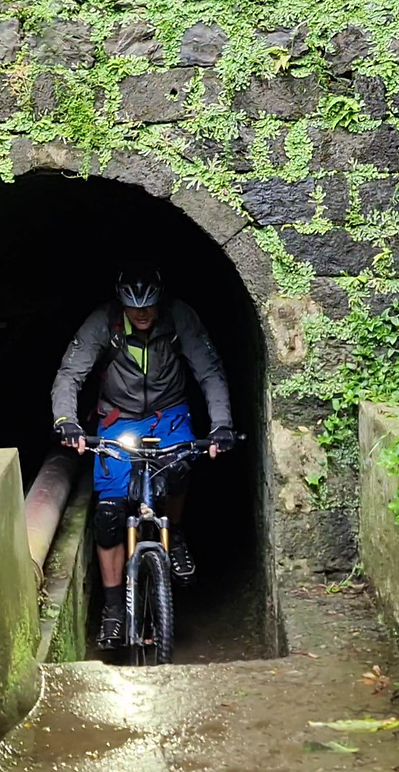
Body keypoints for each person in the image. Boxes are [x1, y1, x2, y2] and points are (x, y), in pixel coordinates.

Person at [51, 266, 234, 647]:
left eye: (149, 306)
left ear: (159, 300)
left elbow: (209, 371)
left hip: (169, 415)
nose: (143, 314)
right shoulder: (104, 322)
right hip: (118, 420)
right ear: (121, 304)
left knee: (181, 466)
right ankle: (115, 611)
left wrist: (221, 426)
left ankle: (175, 532)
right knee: (109, 513)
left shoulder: (178, 317)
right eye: (134, 308)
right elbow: (70, 374)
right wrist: (66, 421)